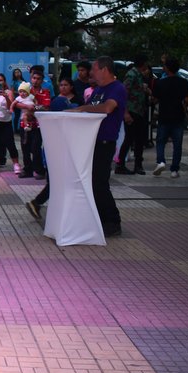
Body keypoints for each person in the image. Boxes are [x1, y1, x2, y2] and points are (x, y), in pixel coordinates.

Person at [66, 56, 125, 237]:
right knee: (91, 182)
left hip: (105, 142)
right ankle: (99, 218)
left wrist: (82, 109)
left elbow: (108, 108)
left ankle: (113, 221)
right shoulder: (98, 89)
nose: (91, 73)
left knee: (99, 182)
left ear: (105, 70)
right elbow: (89, 107)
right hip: (91, 141)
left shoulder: (117, 88)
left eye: (94, 69)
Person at [25, 80, 81, 220]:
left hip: (52, 155)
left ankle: (39, 204)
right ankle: (38, 203)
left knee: (56, 184)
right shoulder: (60, 125)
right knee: (57, 184)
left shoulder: (53, 121)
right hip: (55, 156)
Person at [151, 57, 188, 178]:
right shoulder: (183, 82)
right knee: (177, 144)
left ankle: (161, 161)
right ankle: (174, 169)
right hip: (178, 115)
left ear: (167, 68)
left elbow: (154, 99)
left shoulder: (161, 82)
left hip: (164, 115)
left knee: (160, 141)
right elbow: (187, 99)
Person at [116, 55, 152, 175]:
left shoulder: (139, 75)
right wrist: (125, 112)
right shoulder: (131, 74)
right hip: (132, 111)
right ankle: (120, 164)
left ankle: (138, 165)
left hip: (139, 110)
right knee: (130, 139)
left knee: (139, 139)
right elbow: (123, 93)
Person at [16, 69, 51, 179]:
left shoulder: (45, 92)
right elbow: (17, 103)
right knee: (25, 148)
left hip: (38, 125)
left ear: (42, 80)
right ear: (31, 79)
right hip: (25, 124)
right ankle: (27, 170)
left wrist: (34, 108)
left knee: (36, 148)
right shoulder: (26, 91)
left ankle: (40, 170)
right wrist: (27, 107)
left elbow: (46, 107)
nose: (35, 81)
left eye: (38, 79)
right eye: (34, 78)